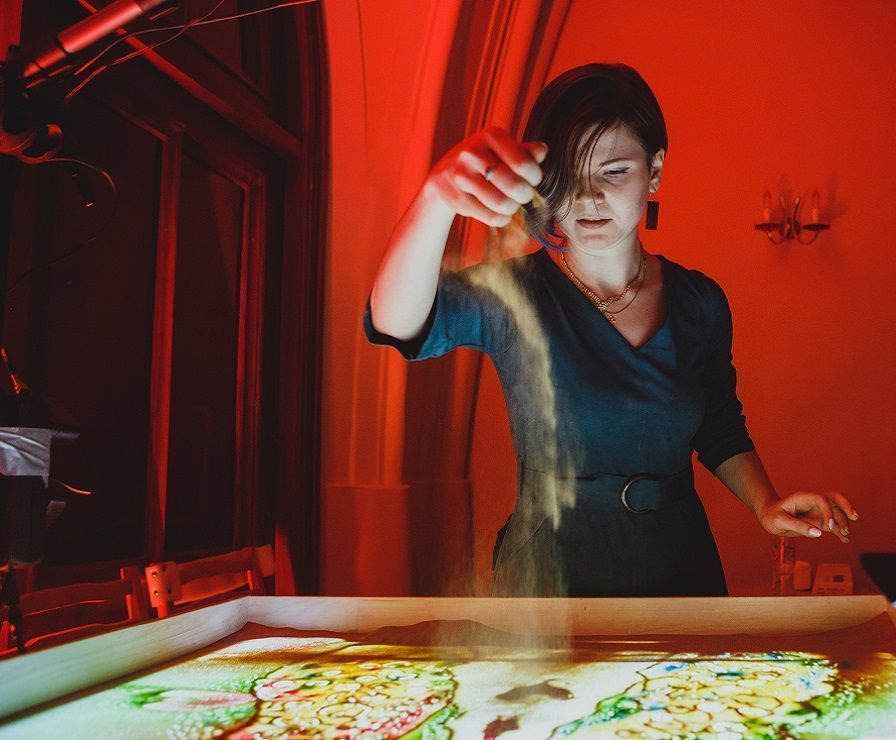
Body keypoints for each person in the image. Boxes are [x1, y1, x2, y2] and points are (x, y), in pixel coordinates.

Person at [364, 62, 859, 597]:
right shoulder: (513, 293)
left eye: (615, 171)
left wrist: (766, 504)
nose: (588, 196)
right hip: (549, 572)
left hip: (680, 564)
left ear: (655, 170)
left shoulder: (700, 302)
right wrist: (436, 198)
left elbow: (719, 427)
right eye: (568, 175)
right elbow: (396, 323)